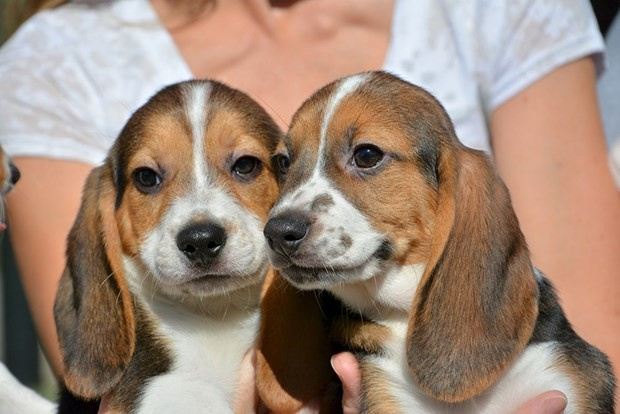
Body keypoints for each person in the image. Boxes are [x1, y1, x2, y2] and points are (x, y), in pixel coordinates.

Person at [0, 0, 618, 412]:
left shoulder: (494, 10)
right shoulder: (55, 59)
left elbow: (592, 325)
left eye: (248, 166)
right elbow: (103, 379)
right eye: (147, 178)